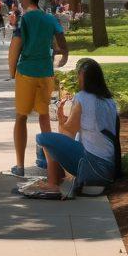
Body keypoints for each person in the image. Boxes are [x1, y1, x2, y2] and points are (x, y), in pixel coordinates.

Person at [22, 58, 120, 199]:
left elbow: (68, 133)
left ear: (84, 79)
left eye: (79, 76)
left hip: (92, 167)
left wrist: (61, 120)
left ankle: (52, 184)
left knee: (43, 139)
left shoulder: (82, 97)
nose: (78, 80)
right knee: (43, 157)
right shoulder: (110, 101)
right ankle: (57, 178)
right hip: (107, 169)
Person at [8, 0, 68, 178]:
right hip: (45, 73)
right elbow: (61, 38)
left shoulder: (24, 20)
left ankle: (20, 165)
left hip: (26, 72)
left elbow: (16, 45)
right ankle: (52, 165)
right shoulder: (49, 18)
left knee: (21, 117)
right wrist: (64, 55)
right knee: (44, 118)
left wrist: (11, 70)